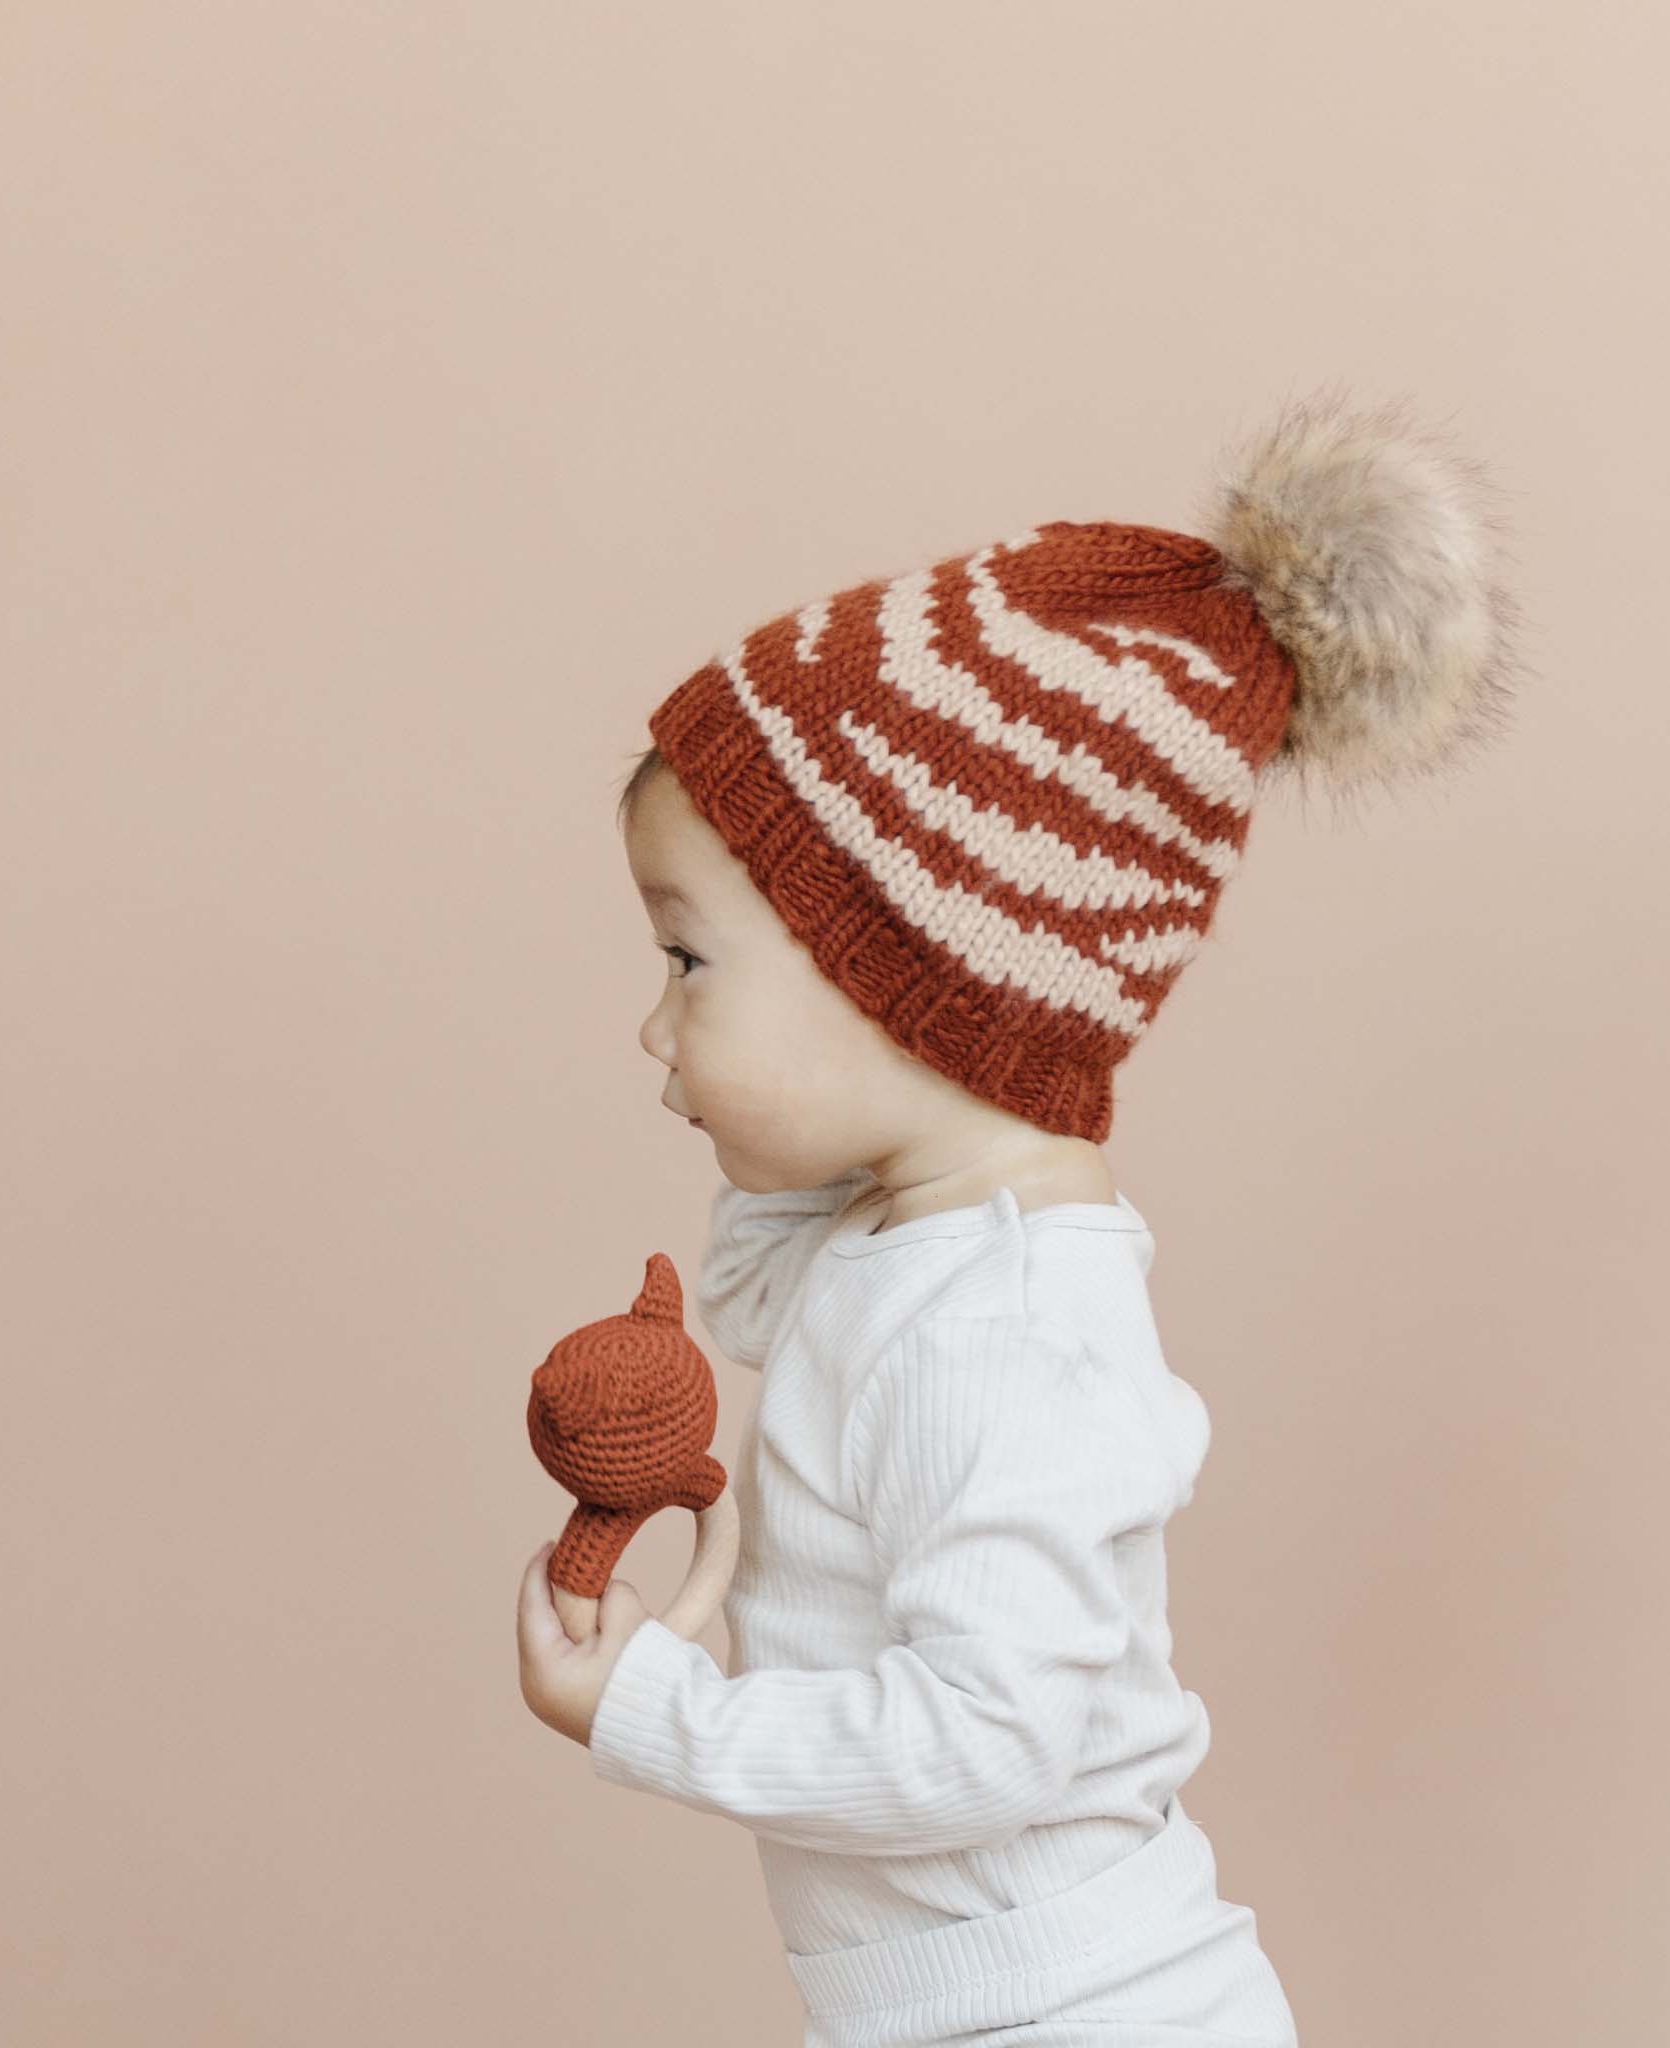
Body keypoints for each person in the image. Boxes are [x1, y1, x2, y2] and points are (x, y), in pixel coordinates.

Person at [516, 385, 1528, 2045]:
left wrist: (656, 1715)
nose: (653, 1026)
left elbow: (986, 1743)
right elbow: (766, 1299)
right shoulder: (899, 1253)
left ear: (911, 981)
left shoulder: (1009, 1339)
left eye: (687, 961)